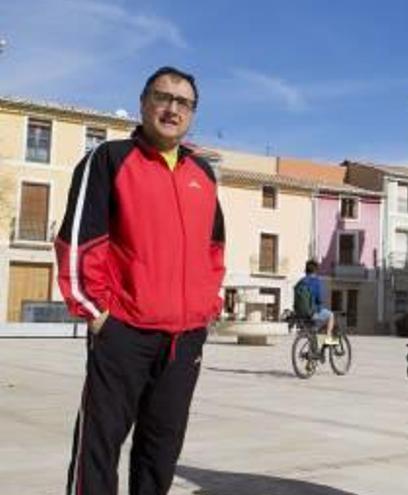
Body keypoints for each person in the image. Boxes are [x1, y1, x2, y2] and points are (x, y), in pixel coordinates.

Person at [55, 66, 225, 495]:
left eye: (183, 102)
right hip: (123, 332)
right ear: (144, 103)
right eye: (163, 97)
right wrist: (97, 316)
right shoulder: (109, 159)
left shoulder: (202, 176)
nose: (172, 108)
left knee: (160, 451)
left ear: (192, 113)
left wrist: (206, 310)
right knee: (99, 447)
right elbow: (78, 241)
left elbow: (214, 250)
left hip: (183, 339)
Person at [296, 260, 337, 345]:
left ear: (306, 270)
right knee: (330, 315)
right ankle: (328, 338)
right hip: (312, 312)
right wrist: (320, 305)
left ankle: (313, 352)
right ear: (316, 270)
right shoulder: (316, 281)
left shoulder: (300, 282)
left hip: (300, 313)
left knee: (313, 330)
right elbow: (319, 299)